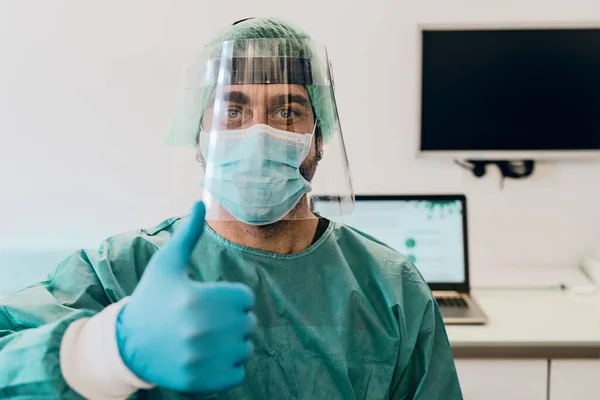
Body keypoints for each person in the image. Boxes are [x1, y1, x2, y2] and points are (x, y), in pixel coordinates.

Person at [0, 17, 463, 400]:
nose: (259, 135)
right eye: (232, 111)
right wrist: (104, 351)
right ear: (200, 140)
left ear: (319, 139)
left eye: (287, 112)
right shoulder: (124, 272)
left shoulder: (390, 288)